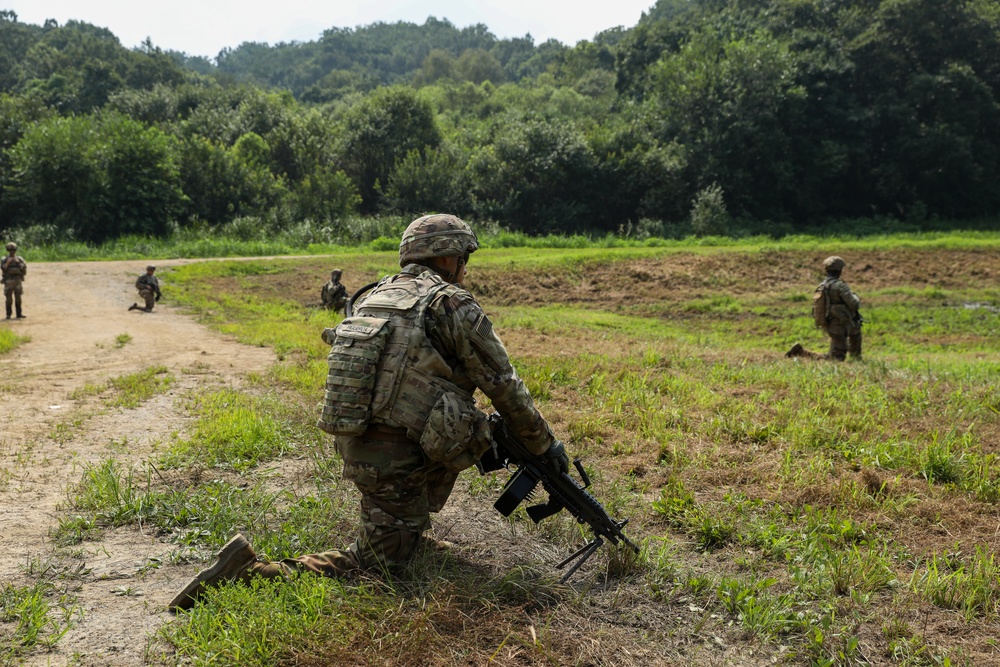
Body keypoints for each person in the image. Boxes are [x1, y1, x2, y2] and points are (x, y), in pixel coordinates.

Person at [169, 214, 570, 611]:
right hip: (395, 454)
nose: (465, 268)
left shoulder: (376, 295)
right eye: (464, 257)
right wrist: (544, 446)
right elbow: (505, 387)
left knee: (464, 430)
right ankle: (249, 572)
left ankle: (406, 527)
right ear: (449, 258)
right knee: (380, 566)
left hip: (361, 441)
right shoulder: (451, 303)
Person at [786, 256, 862, 361]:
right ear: (840, 270)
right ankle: (801, 353)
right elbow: (854, 304)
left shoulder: (822, 285)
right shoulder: (840, 286)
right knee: (836, 357)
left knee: (855, 333)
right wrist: (856, 297)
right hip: (841, 323)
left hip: (832, 321)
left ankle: (856, 359)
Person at [1, 242, 27, 319]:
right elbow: (3, 268)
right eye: (10, 250)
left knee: (18, 298)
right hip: (8, 280)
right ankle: (8, 314)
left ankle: (19, 314)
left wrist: (18, 263)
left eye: (13, 250)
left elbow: (24, 269)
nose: (12, 252)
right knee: (8, 299)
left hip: (17, 280)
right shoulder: (4, 259)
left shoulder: (19, 259)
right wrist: (8, 262)